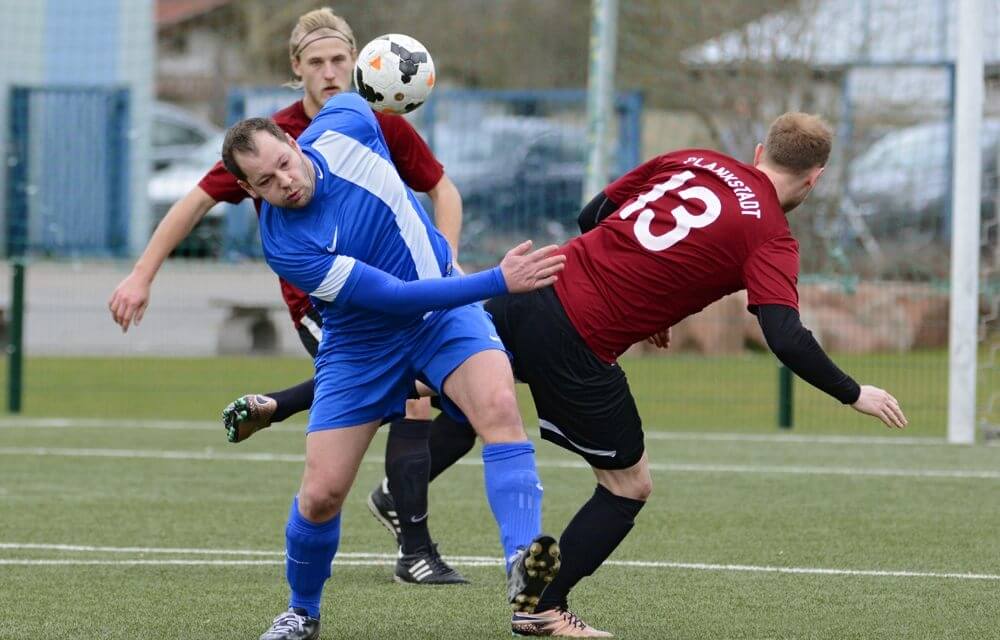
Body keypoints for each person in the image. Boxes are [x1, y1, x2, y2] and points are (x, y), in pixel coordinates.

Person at [225, 112, 909, 637]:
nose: (282, 180)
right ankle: (544, 608)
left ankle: (282, 405)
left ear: (759, 151)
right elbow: (784, 334)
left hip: (540, 284)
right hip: (579, 340)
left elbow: (598, 214)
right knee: (627, 485)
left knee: (441, 377)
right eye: (266, 178)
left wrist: (652, 296)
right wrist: (855, 392)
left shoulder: (699, 161)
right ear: (814, 180)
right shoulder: (771, 236)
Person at [108, 7, 468, 584]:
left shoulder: (377, 121)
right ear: (295, 68)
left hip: (403, 293)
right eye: (317, 62)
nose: (330, 72)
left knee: (466, 396)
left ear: (357, 63)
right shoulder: (268, 141)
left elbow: (442, 189)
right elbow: (195, 200)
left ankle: (282, 409)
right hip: (329, 306)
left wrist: (444, 261)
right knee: (416, 395)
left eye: (340, 60)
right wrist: (141, 274)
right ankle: (415, 552)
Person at [221, 92, 566, 639]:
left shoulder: (347, 123)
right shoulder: (286, 245)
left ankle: (523, 569)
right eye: (263, 182)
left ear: (293, 141)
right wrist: (499, 280)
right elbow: (395, 297)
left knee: (499, 407)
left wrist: (374, 74)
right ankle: (302, 612)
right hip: (363, 340)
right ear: (248, 191)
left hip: (444, 314)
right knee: (321, 494)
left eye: (283, 163)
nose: (283, 182)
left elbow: (359, 93)